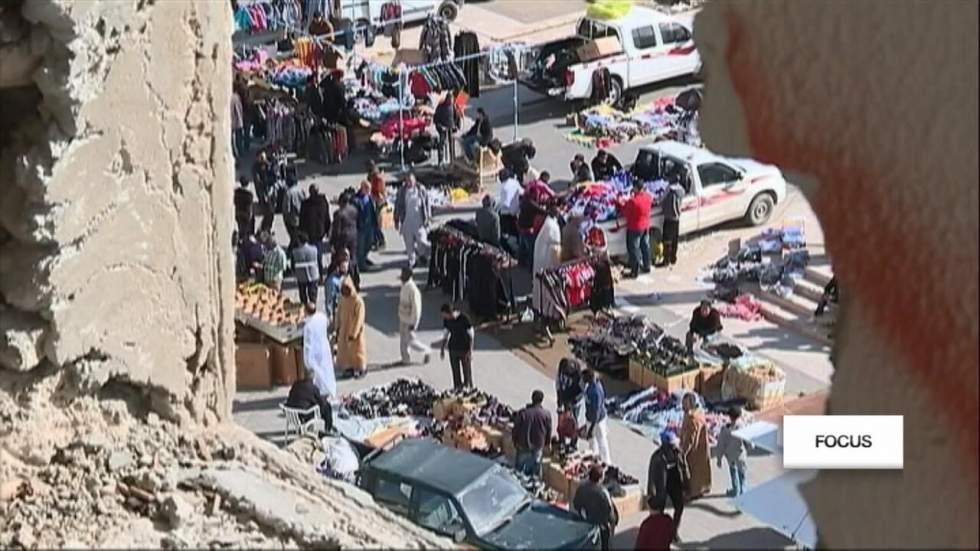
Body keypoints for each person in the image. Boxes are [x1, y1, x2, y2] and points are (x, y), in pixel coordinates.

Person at [647, 431, 689, 542]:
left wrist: (686, 486)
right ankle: (657, 533)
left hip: (675, 483)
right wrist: (651, 493)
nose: (674, 446)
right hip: (662, 485)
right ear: (665, 445)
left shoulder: (678, 453)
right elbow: (651, 477)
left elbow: (685, 469)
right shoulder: (657, 458)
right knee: (659, 511)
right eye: (672, 444)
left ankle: (674, 531)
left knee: (679, 507)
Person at [531, 205, 563, 334]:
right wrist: (558, 266)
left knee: (540, 293)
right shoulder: (553, 227)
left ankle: (540, 317)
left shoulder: (547, 224)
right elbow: (556, 249)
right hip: (545, 265)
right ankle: (549, 319)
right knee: (548, 293)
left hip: (540, 263)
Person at [572, 465, 619, 551]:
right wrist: (612, 531)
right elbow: (610, 514)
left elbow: (576, 505)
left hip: (585, 525)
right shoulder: (603, 493)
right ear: (600, 478)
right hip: (601, 529)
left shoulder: (582, 488)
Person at [394, 173, 432, 269]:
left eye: (411, 181)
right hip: (407, 221)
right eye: (408, 181)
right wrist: (396, 219)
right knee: (409, 242)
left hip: (419, 221)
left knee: (422, 240)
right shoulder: (402, 192)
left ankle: (423, 255)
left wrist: (428, 217)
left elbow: (427, 203)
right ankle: (412, 260)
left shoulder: (421, 190)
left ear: (415, 180)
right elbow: (398, 206)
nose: (409, 183)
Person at [512, 390, 552, 479]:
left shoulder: (523, 413)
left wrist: (515, 441)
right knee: (536, 471)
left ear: (532, 399)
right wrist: (547, 444)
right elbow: (548, 431)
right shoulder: (546, 414)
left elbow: (515, 429)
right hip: (538, 446)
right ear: (541, 401)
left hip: (523, 445)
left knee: (518, 472)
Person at [301, 302, 337, 400]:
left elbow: (308, 344)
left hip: (314, 353)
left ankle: (320, 393)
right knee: (326, 371)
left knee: (317, 375)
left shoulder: (308, 327)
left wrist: (307, 360)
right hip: (324, 348)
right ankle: (329, 389)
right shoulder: (322, 317)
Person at [680, 393, 712, 499]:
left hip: (695, 450)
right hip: (701, 448)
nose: (682, 406)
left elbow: (690, 439)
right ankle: (703, 487)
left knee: (693, 472)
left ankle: (693, 493)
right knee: (701, 469)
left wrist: (683, 452)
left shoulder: (692, 419)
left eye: (685, 404)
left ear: (690, 405)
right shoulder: (698, 412)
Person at [716, 405, 752, 497]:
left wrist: (719, 458)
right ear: (739, 416)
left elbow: (720, 445)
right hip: (740, 455)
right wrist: (750, 446)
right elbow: (748, 440)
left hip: (730, 455)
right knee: (742, 472)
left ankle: (736, 490)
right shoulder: (742, 427)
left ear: (729, 417)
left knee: (733, 472)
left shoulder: (725, 429)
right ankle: (743, 490)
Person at [398, 267, 431, 366]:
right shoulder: (404, 286)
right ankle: (405, 359)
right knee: (403, 340)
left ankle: (427, 350)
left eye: (403, 274)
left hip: (409, 319)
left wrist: (414, 322)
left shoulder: (413, 289)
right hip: (403, 317)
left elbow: (417, 308)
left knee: (411, 341)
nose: (402, 276)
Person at [620, 180, 653, 278]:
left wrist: (622, 202)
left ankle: (634, 271)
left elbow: (625, 212)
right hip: (646, 226)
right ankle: (647, 266)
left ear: (635, 188)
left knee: (634, 249)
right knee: (645, 247)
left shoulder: (633, 201)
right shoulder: (648, 197)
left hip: (634, 227)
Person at [336, 276, 367, 378]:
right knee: (345, 351)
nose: (344, 292)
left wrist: (354, 333)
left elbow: (359, 318)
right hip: (344, 329)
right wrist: (337, 326)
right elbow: (338, 313)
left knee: (358, 351)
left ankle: (362, 369)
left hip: (354, 332)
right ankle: (348, 369)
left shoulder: (358, 301)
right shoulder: (343, 299)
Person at [440, 303, 474, 390]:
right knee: (455, 373)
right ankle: (457, 389)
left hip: (464, 349)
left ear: (450, 313)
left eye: (445, 315)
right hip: (453, 348)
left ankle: (468, 388)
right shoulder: (446, 321)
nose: (444, 317)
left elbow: (471, 335)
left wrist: (470, 351)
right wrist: (442, 349)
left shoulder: (464, 318)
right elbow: (445, 334)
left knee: (467, 372)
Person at [299, 185, 331, 275]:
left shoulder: (305, 204)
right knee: (318, 255)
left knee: (312, 256)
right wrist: (327, 229)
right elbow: (327, 217)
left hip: (310, 234)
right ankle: (319, 274)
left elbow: (302, 219)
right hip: (319, 233)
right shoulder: (323, 202)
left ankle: (315, 274)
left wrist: (301, 232)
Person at [330, 191, 360, 287]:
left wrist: (333, 243)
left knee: (342, 259)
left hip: (343, 239)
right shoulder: (354, 210)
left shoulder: (339, 214)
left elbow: (336, 231)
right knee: (353, 258)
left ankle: (344, 278)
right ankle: (355, 278)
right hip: (353, 236)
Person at [583, 369, 612, 464]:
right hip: (590, 418)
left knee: (601, 441)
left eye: (584, 378)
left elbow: (597, 412)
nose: (582, 379)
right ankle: (594, 459)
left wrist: (591, 428)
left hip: (597, 421)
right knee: (592, 441)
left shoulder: (595, 391)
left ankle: (606, 462)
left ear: (589, 378)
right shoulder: (590, 386)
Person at [555, 358, 585, 445]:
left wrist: (573, 402)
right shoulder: (561, 372)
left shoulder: (578, 376)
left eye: (568, 369)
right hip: (564, 399)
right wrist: (559, 399)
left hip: (575, 402)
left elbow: (582, 391)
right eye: (564, 369)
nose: (566, 371)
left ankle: (573, 442)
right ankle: (562, 440)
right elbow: (558, 385)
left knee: (573, 422)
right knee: (562, 420)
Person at [354, 181, 378, 272]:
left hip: (370, 225)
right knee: (361, 246)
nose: (369, 191)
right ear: (362, 188)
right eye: (367, 189)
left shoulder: (369, 197)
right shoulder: (356, 199)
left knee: (369, 244)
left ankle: (364, 258)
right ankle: (361, 264)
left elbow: (372, 210)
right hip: (361, 227)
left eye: (370, 189)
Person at [291, 232, 320, 305]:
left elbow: (293, 265)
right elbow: (318, 261)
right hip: (313, 275)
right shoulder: (314, 249)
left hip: (301, 276)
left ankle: (304, 307)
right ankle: (313, 306)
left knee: (302, 293)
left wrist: (294, 274)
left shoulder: (295, 252)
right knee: (312, 293)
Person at [661, 178, 685, 266]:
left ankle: (666, 260)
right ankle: (673, 258)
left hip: (669, 217)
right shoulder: (681, 189)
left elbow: (661, 199)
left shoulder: (669, 189)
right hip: (677, 218)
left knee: (666, 240)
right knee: (675, 239)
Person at [253, 149, 277, 233]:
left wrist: (269, 166)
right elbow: (258, 181)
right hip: (263, 191)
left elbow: (274, 176)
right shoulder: (256, 167)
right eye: (261, 157)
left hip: (271, 189)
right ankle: (265, 230)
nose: (263, 159)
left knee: (271, 211)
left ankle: (267, 229)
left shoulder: (269, 164)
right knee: (268, 211)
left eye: (264, 157)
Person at [434, 91, 459, 166]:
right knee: (441, 144)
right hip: (443, 128)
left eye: (452, 100)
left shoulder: (453, 106)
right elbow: (436, 119)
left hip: (451, 127)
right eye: (450, 100)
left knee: (451, 144)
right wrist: (440, 127)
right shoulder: (440, 107)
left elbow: (456, 117)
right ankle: (441, 161)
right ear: (447, 99)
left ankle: (452, 160)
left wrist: (456, 125)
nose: (451, 102)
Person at [496, 168, 522, 238]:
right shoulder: (514, 182)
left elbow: (505, 204)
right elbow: (522, 192)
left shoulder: (504, 187)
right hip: (516, 210)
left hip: (508, 213)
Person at [367, 161, 387, 250]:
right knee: (373, 224)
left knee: (376, 224)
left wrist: (371, 195)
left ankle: (381, 241)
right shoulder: (373, 176)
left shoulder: (377, 178)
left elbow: (379, 193)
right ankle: (375, 241)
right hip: (376, 201)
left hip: (378, 203)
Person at [283, 179, 308, 248]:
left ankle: (292, 248)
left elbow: (286, 208)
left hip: (292, 217)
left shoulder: (288, 193)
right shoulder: (301, 190)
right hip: (301, 216)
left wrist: (285, 217)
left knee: (293, 235)